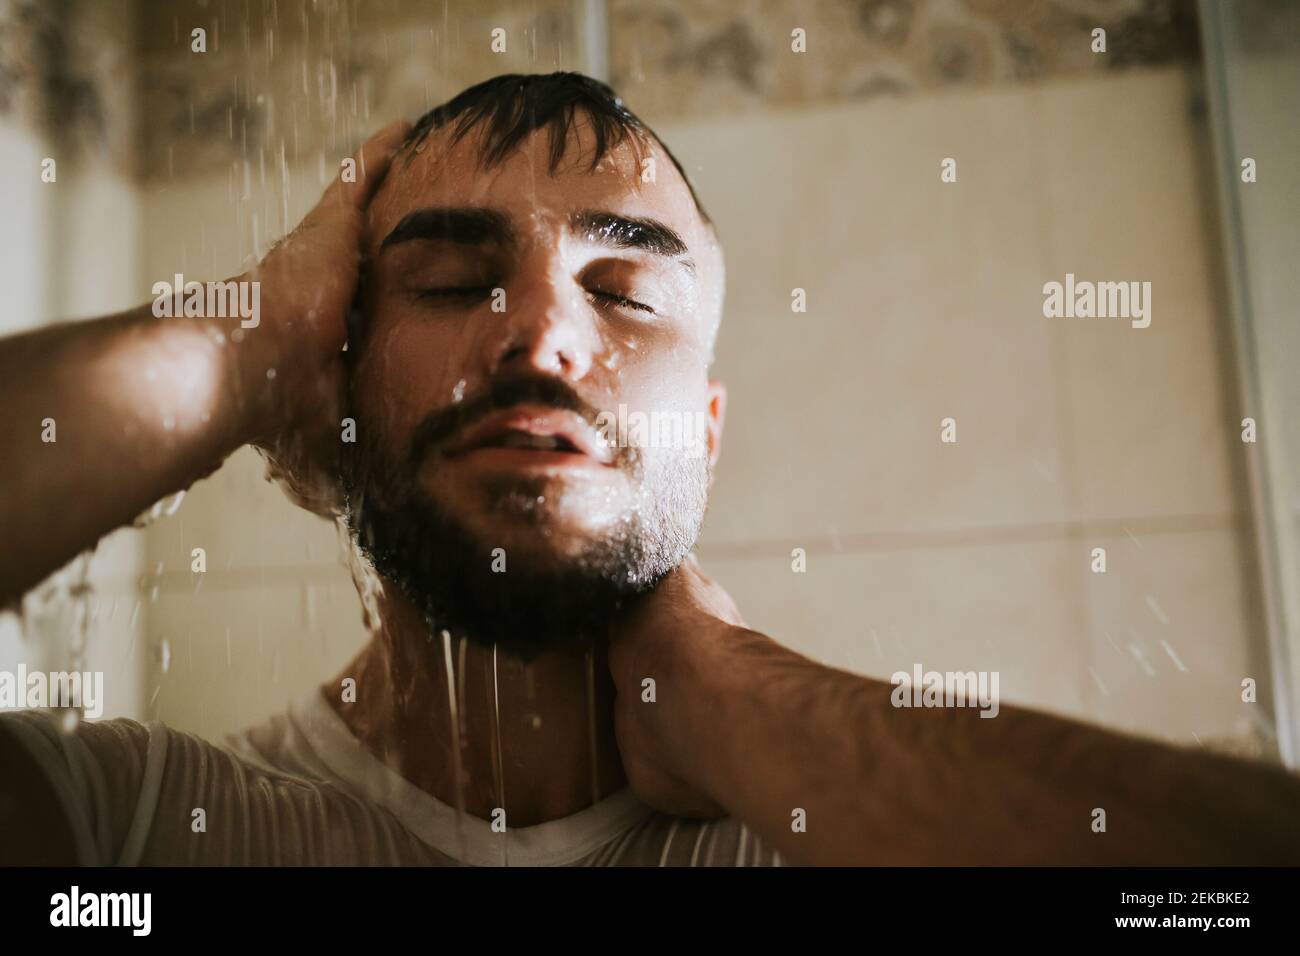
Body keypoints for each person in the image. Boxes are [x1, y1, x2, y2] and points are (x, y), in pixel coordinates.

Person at [1, 73, 1298, 866]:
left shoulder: (828, 834)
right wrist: (243, 348)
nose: (543, 333)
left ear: (710, 434)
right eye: (453, 283)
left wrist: (726, 692)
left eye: (625, 293)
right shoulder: (128, 836)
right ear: (323, 415)